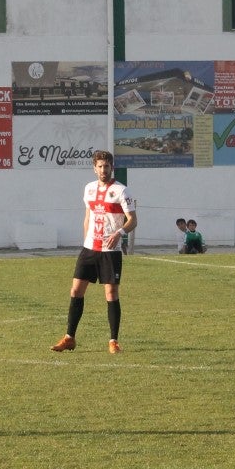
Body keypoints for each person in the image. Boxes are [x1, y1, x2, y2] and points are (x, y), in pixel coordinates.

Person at [51, 150, 137, 355]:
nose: (103, 170)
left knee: (111, 293)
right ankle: (69, 338)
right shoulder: (89, 189)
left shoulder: (121, 191)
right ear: (94, 168)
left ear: (112, 167)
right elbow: (87, 217)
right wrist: (85, 243)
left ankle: (113, 341)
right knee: (75, 291)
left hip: (110, 251)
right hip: (90, 249)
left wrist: (119, 233)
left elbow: (133, 220)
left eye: (107, 166)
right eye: (100, 166)